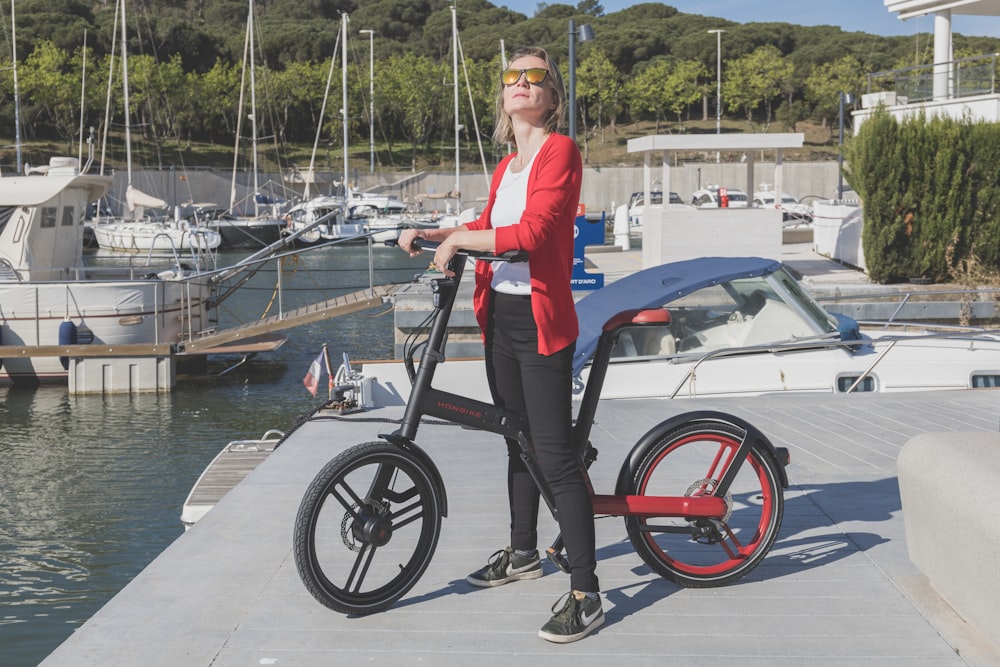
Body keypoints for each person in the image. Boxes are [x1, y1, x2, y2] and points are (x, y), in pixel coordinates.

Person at [397, 46, 601, 644]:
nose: (521, 83)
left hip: (539, 322)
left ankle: (587, 592)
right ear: (502, 93)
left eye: (534, 76)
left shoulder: (560, 150)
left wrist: (464, 236)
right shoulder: (506, 166)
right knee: (515, 438)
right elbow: (489, 223)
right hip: (500, 318)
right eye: (511, 76)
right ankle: (523, 554)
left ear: (552, 96)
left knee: (554, 455)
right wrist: (434, 233)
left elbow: (534, 233)